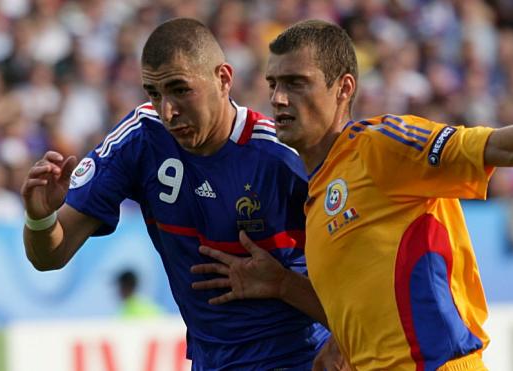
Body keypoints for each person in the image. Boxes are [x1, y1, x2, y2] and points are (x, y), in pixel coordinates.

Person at [194, 19, 513, 370]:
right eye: (273, 84)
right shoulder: (316, 200)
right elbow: (358, 316)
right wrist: (284, 286)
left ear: (343, 88)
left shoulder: (379, 145)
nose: (279, 98)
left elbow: (501, 146)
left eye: (296, 83)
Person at [20, 17, 334, 370]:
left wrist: (291, 292)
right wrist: (40, 216)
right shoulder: (140, 139)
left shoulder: (283, 156)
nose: (167, 111)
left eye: (180, 90)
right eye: (154, 93)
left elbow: (363, 277)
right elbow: (50, 256)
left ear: (223, 79)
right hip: (210, 361)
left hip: (299, 359)